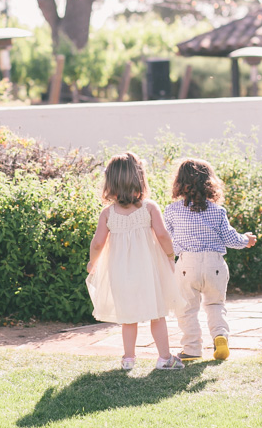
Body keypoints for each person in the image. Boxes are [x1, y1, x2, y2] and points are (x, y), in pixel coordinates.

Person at [86, 151, 184, 371]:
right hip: (148, 271)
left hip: (120, 272)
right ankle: (164, 357)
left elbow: (98, 243)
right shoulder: (149, 208)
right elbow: (163, 235)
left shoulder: (108, 214)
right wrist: (170, 256)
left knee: (128, 316)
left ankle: (128, 359)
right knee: (157, 313)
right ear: (140, 179)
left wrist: (93, 262)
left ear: (110, 183)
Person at [163, 158, 257, 362]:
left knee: (187, 308)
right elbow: (231, 238)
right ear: (209, 183)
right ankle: (220, 336)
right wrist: (246, 240)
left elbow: (166, 241)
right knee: (215, 304)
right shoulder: (217, 211)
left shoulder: (171, 211)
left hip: (187, 264)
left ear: (179, 183)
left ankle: (192, 349)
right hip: (215, 265)